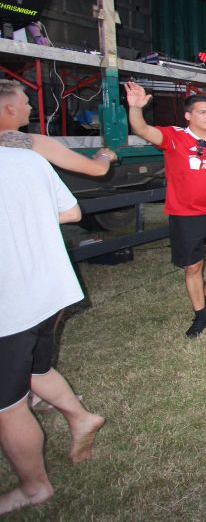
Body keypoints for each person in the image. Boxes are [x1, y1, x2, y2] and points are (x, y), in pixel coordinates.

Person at [0, 147, 105, 515]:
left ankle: (34, 487)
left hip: (10, 301)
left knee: (7, 407)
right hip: (49, 290)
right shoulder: (28, 159)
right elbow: (71, 212)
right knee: (36, 369)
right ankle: (81, 417)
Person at [125, 81, 206, 337]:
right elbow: (142, 129)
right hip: (185, 214)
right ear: (188, 116)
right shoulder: (175, 137)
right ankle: (200, 315)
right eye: (202, 112)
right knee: (193, 267)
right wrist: (135, 108)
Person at [0, 79, 117, 175]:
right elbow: (98, 169)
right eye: (26, 103)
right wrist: (104, 155)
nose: (30, 107)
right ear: (11, 109)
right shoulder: (33, 142)